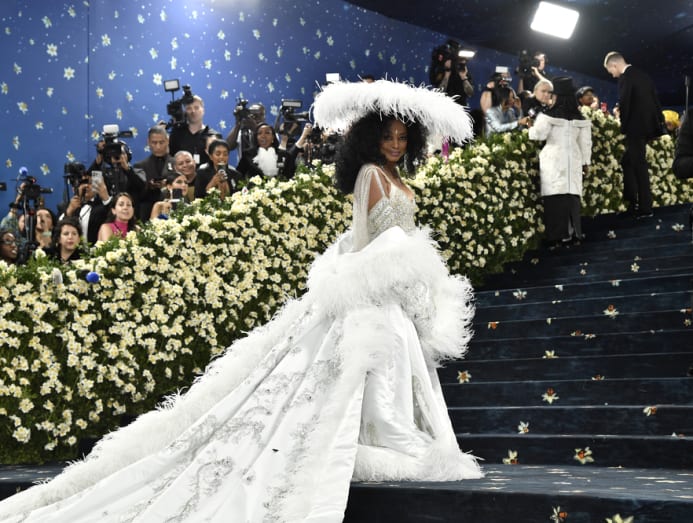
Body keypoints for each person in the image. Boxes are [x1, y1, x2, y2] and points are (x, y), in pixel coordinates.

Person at [0, 79, 482, 522]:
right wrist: (395, 267)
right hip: (372, 294)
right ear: (371, 139)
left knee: (389, 375)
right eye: (388, 136)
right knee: (361, 377)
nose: (395, 144)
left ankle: (383, 437)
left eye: (402, 137)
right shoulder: (372, 176)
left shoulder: (399, 180)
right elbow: (366, 240)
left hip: (394, 298)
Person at [528, 77, 592, 246]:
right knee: (572, 196)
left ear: (557, 96)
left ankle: (558, 237)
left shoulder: (548, 116)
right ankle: (574, 234)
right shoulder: (580, 118)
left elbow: (538, 135)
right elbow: (585, 144)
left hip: (554, 160)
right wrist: (586, 163)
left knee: (556, 197)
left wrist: (529, 127)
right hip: (574, 160)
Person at [603, 51, 665, 219]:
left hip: (635, 129)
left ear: (614, 65)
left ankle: (644, 208)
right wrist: (657, 127)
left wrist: (621, 120)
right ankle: (633, 201)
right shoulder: (643, 75)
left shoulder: (626, 78)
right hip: (648, 127)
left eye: (610, 71)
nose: (612, 75)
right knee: (628, 161)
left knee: (639, 166)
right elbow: (655, 101)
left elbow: (626, 103)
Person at [236, 122, 312, 180]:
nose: (263, 136)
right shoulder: (247, 155)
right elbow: (238, 176)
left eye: (267, 133)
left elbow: (290, 175)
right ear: (256, 137)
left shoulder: (284, 155)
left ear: (273, 137)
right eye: (259, 133)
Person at [133, 126, 177, 221]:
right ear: (148, 142)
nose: (158, 146)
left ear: (167, 141)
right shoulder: (140, 166)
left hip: (174, 212)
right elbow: (136, 196)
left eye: (161, 142)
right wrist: (149, 187)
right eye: (154, 143)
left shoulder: (177, 163)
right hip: (147, 214)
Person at [169, 95, 221, 168]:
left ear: (203, 110)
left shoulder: (212, 136)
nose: (193, 111)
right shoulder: (177, 134)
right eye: (189, 108)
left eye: (196, 107)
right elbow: (170, 157)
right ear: (185, 112)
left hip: (206, 174)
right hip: (181, 174)